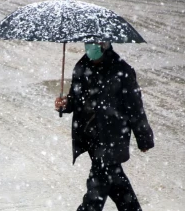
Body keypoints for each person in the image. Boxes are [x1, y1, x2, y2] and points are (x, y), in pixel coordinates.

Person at [55, 42, 154, 211]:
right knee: (118, 186)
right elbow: (75, 99)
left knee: (95, 195)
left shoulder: (122, 70)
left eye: (95, 43)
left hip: (112, 138)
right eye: (88, 43)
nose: (90, 47)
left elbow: (135, 108)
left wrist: (144, 139)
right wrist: (65, 104)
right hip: (91, 137)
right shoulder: (81, 67)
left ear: (105, 44)